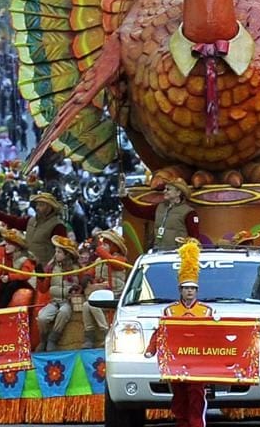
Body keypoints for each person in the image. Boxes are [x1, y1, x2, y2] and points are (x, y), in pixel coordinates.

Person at [144, 239, 213, 427]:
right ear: (180, 290)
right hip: (176, 361)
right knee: (179, 395)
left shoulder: (206, 311)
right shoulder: (170, 311)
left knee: (196, 394)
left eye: (192, 288)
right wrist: (151, 349)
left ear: (197, 290)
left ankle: (196, 423)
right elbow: (160, 332)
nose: (189, 292)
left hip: (198, 362)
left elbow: (214, 337)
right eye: (186, 288)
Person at [120, 178, 201, 251]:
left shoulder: (189, 213)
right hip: (158, 251)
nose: (164, 191)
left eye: (168, 189)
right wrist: (125, 197)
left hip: (177, 254)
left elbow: (194, 238)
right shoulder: (159, 207)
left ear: (178, 193)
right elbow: (138, 211)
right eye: (165, 189)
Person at [0, 191, 69, 267]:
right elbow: (15, 221)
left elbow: (63, 250)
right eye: (37, 205)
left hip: (44, 268)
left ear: (49, 207)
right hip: (28, 265)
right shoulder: (31, 220)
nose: (37, 207)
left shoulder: (58, 225)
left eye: (41, 205)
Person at [36, 234, 82, 351]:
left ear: (67, 254)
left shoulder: (76, 268)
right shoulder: (51, 268)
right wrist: (40, 277)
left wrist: (74, 290)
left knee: (64, 312)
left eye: (59, 252)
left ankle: (53, 338)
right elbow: (43, 288)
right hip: (54, 301)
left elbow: (79, 286)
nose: (56, 254)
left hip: (67, 302)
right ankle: (43, 339)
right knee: (42, 317)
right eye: (56, 251)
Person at [82, 229, 128, 347]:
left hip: (116, 295)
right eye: (102, 244)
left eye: (106, 245)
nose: (103, 247)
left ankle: (107, 332)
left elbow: (114, 263)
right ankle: (89, 337)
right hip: (101, 294)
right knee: (86, 305)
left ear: (114, 247)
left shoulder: (121, 259)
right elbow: (90, 272)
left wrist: (99, 250)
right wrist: (86, 278)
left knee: (94, 304)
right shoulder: (99, 260)